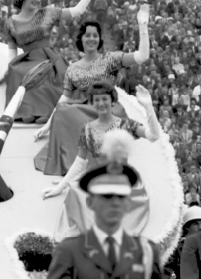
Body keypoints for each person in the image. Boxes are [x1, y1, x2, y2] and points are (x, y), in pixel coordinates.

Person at [40, 142, 164, 279]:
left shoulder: (145, 252)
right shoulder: (70, 251)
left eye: (120, 197)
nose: (114, 203)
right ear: (90, 202)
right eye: (106, 196)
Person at [34, 5, 151, 176]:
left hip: (109, 109)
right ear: (81, 39)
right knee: (62, 111)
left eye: (95, 35)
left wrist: (143, 26)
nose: (91, 39)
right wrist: (47, 126)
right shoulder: (73, 68)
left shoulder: (110, 59)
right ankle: (75, 162)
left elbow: (142, 56)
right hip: (87, 109)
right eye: (87, 35)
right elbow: (64, 99)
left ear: (99, 39)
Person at [42, 83, 160, 243]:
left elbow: (153, 136)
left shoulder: (126, 124)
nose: (101, 103)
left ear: (112, 101)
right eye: (96, 100)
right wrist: (59, 187)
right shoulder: (87, 129)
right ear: (92, 102)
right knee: (76, 195)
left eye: (105, 99)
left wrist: (148, 106)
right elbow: (79, 162)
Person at [0, 0, 103, 123]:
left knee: (48, 74)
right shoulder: (10, 23)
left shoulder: (47, 13)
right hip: (27, 61)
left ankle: (48, 112)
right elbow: (11, 54)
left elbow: (78, 10)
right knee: (17, 72)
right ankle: (29, 111)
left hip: (50, 59)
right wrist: (2, 74)